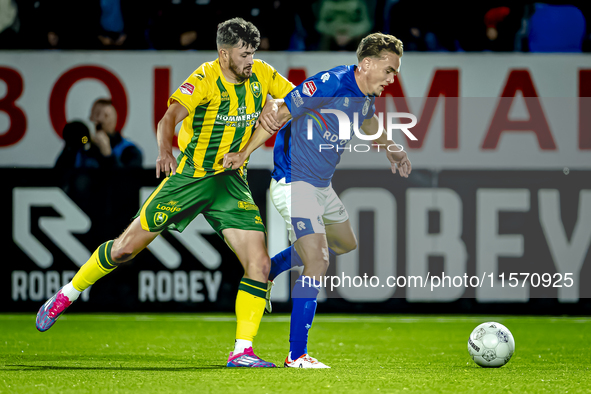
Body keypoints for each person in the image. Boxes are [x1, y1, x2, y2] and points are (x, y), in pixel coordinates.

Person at [36, 17, 294, 368]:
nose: (251, 59)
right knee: (126, 248)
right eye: (244, 54)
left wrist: (279, 107)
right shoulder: (204, 79)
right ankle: (66, 295)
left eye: (253, 52)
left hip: (230, 181)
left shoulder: (262, 73)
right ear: (223, 54)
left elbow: (294, 99)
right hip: (189, 178)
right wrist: (164, 150)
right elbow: (168, 119)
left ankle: (242, 351)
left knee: (260, 265)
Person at [223, 32, 412, 368]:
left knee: (345, 243)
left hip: (321, 186)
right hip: (294, 183)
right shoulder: (330, 83)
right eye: (389, 70)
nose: (392, 79)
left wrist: (392, 150)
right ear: (366, 64)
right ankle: (297, 354)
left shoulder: (364, 96)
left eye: (394, 73)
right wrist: (243, 153)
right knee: (319, 259)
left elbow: (368, 122)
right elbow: (278, 116)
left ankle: (270, 271)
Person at [89, 98, 143, 168]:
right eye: (95, 114)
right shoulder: (84, 148)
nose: (99, 119)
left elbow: (128, 177)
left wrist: (107, 154)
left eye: (106, 116)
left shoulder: (130, 151)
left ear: (114, 120)